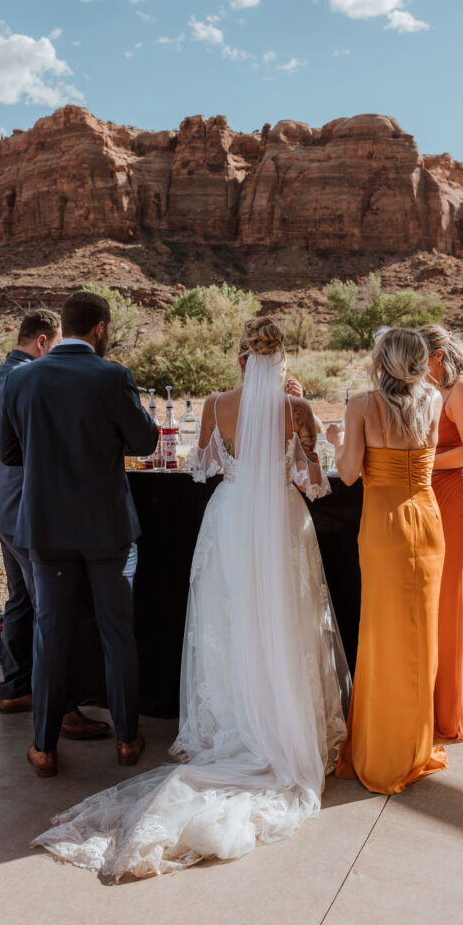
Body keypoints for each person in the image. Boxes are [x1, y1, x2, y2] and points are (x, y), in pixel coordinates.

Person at [32, 316, 350, 879]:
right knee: (285, 622)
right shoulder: (297, 410)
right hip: (279, 519)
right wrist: (304, 428)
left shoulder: (215, 404)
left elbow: (199, 468)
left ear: (240, 359)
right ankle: (284, 722)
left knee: (230, 623)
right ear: (283, 361)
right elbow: (315, 477)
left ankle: (233, 720)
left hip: (230, 520)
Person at [0, 290, 158, 778]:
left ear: (64, 327)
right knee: (117, 634)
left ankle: (43, 748)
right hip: (107, 531)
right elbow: (146, 442)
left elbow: (9, 453)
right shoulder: (113, 376)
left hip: (45, 530)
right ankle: (128, 741)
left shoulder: (22, 379)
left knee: (50, 635)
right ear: (101, 329)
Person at [329, 328, 448, 794]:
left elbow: (348, 472)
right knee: (420, 634)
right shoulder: (434, 399)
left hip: (384, 525)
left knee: (381, 633)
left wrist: (337, 437)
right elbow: (429, 460)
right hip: (426, 518)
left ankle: (381, 752)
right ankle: (414, 746)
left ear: (382, 361)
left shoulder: (362, 404)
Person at [0, 309, 107, 740]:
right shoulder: (29, 380)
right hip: (28, 510)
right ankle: (66, 710)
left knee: (20, 601)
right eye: (52, 347)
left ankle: (15, 690)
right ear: (42, 342)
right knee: (52, 613)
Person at [419, 324, 463, 742]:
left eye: (420, 359)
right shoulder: (435, 390)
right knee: (437, 604)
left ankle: (451, 713)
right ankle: (435, 702)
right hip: (438, 498)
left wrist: (423, 464)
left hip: (459, 499)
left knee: (452, 604)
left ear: (439, 355)